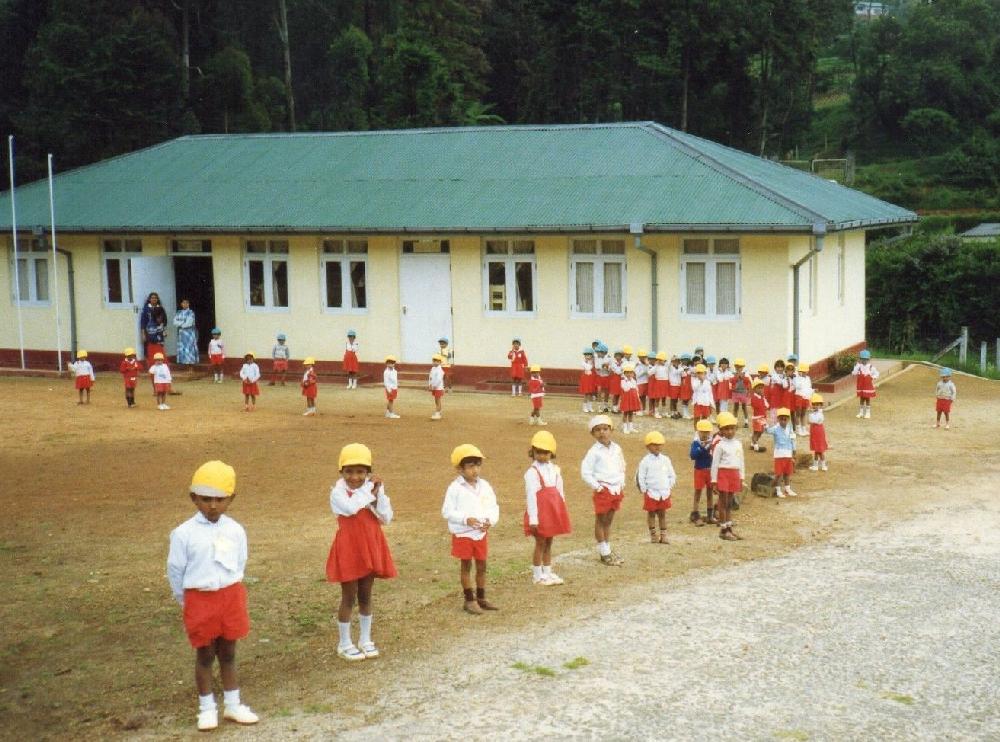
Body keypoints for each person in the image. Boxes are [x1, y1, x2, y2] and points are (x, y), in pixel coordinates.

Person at [166, 461, 258, 731]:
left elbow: (241, 561)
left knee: (228, 652)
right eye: (206, 499)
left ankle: (232, 704)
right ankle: (207, 708)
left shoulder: (235, 530)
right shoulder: (183, 534)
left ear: (231, 499)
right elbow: (175, 570)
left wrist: (230, 589)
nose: (213, 506)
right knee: (205, 654)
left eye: (220, 499)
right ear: (194, 498)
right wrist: (186, 602)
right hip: (200, 598)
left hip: (230, 596)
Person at [326, 443, 397, 661]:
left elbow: (386, 517)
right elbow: (350, 508)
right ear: (341, 472)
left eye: (360, 472)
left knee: (366, 594)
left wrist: (378, 496)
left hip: (371, 543)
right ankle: (344, 642)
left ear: (368, 472)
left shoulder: (372, 490)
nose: (355, 477)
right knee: (349, 596)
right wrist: (369, 491)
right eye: (349, 471)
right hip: (349, 547)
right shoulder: (338, 492)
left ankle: (365, 639)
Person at [442, 444, 500, 614]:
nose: (475, 470)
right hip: (463, 533)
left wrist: (491, 521)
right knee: (466, 566)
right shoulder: (455, 488)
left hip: (480, 533)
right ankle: (469, 599)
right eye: (470, 466)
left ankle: (481, 597)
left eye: (478, 465)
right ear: (460, 468)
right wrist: (465, 519)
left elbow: (493, 506)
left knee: (482, 565)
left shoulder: (485, 486)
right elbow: (447, 511)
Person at [522, 430, 571, 585]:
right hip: (540, 512)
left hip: (553, 510)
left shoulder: (555, 470)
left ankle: (548, 572)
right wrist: (533, 518)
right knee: (540, 542)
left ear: (552, 453)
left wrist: (561, 509)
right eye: (538, 452)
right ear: (533, 452)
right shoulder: (532, 472)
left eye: (546, 452)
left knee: (549, 541)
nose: (542, 456)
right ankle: (537, 575)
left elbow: (560, 490)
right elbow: (531, 495)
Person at [580, 414, 626, 566]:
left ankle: (607, 548)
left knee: (609, 520)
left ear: (611, 430)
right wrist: (598, 486)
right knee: (601, 520)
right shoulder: (594, 452)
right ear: (593, 433)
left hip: (615, 488)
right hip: (603, 488)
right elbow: (585, 471)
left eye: (605, 429)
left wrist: (621, 482)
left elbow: (621, 465)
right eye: (598, 430)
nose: (602, 432)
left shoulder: (617, 448)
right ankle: (603, 551)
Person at [637, 431, 676, 544]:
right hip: (651, 492)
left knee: (662, 514)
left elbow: (671, 474)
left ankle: (664, 536)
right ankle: (653, 535)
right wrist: (645, 489)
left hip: (664, 492)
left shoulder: (666, 459)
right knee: (651, 513)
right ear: (648, 446)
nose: (657, 447)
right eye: (654, 444)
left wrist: (669, 485)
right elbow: (641, 476)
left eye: (659, 444)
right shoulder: (645, 461)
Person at [710, 412, 745, 540]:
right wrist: (714, 481)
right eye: (726, 429)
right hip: (723, 474)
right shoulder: (720, 446)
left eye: (732, 428)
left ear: (735, 429)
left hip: (734, 474)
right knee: (723, 502)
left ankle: (729, 527)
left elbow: (741, 461)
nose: (729, 431)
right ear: (721, 430)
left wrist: (741, 477)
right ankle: (723, 529)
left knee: (730, 503)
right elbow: (714, 464)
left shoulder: (738, 444)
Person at [689, 419, 716, 526]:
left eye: (707, 432)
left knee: (710, 492)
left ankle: (710, 515)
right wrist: (702, 448)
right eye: (703, 432)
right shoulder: (696, 443)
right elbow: (692, 455)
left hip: (709, 470)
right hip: (699, 470)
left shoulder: (711, 442)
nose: (705, 434)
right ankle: (695, 513)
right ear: (698, 431)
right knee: (698, 492)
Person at [765, 408, 797, 497]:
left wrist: (794, 450)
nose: (783, 421)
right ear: (778, 419)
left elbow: (793, 439)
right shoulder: (775, 428)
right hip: (779, 454)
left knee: (787, 473)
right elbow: (768, 431)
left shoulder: (790, 428)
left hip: (788, 454)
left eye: (785, 419)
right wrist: (766, 425)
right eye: (781, 419)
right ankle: (778, 490)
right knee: (779, 474)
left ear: (788, 419)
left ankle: (787, 488)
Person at [139, 292, 168, 364]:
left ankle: (160, 365)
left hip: (159, 331)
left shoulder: (160, 308)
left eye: (155, 298)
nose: (154, 299)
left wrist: (164, 330)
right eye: (152, 298)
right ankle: (150, 365)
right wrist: (143, 334)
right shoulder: (146, 309)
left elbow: (164, 320)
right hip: (149, 331)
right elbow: (143, 322)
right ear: (149, 299)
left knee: (159, 349)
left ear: (157, 299)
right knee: (149, 350)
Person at [852, 349, 879, 418]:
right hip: (861, 385)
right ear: (860, 359)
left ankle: (868, 413)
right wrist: (855, 366)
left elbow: (877, 373)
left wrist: (872, 377)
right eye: (863, 359)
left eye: (866, 359)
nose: (864, 361)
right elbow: (854, 373)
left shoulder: (871, 367)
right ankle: (861, 412)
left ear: (869, 359)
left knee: (867, 398)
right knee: (861, 398)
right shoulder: (859, 366)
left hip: (867, 385)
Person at [173, 299, 199, 369]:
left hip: (189, 333)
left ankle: (191, 367)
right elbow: (175, 322)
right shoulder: (179, 312)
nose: (184, 304)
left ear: (188, 304)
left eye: (186, 303)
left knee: (189, 348)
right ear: (181, 304)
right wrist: (183, 322)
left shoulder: (191, 312)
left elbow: (189, 323)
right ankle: (185, 366)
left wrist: (181, 323)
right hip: (182, 333)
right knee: (183, 348)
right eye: (183, 303)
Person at [808, 394, 829, 471]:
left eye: (818, 404)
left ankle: (823, 465)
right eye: (814, 404)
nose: (816, 406)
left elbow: (813, 421)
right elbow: (810, 421)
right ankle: (816, 465)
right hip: (814, 432)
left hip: (818, 431)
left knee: (820, 450)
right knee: (817, 450)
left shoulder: (820, 414)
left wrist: (811, 418)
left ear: (820, 405)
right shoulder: (814, 413)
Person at [618, 364, 641, 433]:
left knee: (631, 413)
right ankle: (625, 428)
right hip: (626, 398)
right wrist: (628, 381)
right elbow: (626, 389)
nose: (629, 374)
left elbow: (636, 389)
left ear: (633, 373)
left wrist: (638, 397)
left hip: (633, 398)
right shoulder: (623, 381)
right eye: (627, 373)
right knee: (625, 413)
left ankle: (631, 427)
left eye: (630, 373)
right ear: (624, 373)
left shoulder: (634, 380)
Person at [749, 379, 770, 452]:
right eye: (759, 388)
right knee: (757, 432)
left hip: (762, 417)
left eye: (762, 388)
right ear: (754, 389)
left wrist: (763, 398)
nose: (761, 390)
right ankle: (756, 446)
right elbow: (756, 406)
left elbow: (767, 406)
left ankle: (753, 443)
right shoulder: (754, 397)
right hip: (757, 418)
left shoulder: (762, 397)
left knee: (760, 431)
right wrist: (762, 399)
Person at [730, 358, 752, 427]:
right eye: (737, 366)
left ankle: (746, 422)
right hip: (735, 392)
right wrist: (736, 377)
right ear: (735, 367)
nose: (738, 368)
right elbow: (731, 381)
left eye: (740, 366)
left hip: (743, 392)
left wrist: (743, 377)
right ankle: (735, 422)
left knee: (744, 407)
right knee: (735, 407)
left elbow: (749, 381)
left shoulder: (746, 374)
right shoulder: (733, 374)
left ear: (743, 367)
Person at [793, 363, 814, 435]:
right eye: (802, 371)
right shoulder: (796, 378)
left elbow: (809, 387)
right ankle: (798, 429)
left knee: (804, 413)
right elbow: (798, 386)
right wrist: (800, 377)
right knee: (798, 413)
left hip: (806, 397)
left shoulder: (808, 378)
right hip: (799, 396)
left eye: (805, 371)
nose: (803, 373)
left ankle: (803, 428)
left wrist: (810, 396)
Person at [579, 348, 597, 413]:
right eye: (586, 355)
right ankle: (584, 407)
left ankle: (590, 407)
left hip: (591, 379)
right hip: (586, 380)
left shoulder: (593, 362)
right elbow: (588, 367)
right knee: (586, 394)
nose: (587, 356)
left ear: (591, 355)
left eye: (589, 355)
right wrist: (592, 362)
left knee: (591, 394)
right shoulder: (583, 362)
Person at [428, 354, 445, 420]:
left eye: (437, 361)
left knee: (438, 400)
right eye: (434, 361)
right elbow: (430, 377)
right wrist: (430, 384)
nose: (435, 362)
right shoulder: (433, 368)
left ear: (440, 362)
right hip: (434, 387)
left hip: (438, 387)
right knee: (436, 400)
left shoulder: (440, 370)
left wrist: (434, 386)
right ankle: (438, 412)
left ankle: (438, 413)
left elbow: (439, 379)